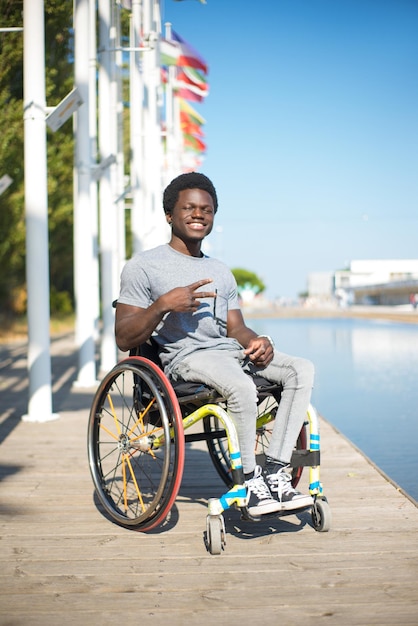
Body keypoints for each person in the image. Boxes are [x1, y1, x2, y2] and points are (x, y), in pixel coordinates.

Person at [115, 172, 314, 517]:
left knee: (301, 369)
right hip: (185, 358)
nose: (198, 214)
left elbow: (236, 328)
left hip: (229, 353)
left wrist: (260, 342)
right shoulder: (143, 266)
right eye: (188, 207)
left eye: (206, 210)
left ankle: (275, 471)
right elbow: (124, 337)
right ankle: (250, 481)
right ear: (169, 215)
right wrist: (163, 304)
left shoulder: (221, 270)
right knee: (239, 386)